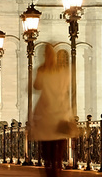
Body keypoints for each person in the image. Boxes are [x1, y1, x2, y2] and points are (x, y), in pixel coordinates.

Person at [31, 43, 74, 177]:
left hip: (46, 115)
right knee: (58, 152)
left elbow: (36, 86)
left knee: (47, 151)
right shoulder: (63, 71)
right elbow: (68, 87)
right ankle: (57, 170)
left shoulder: (42, 70)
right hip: (61, 114)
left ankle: (50, 172)